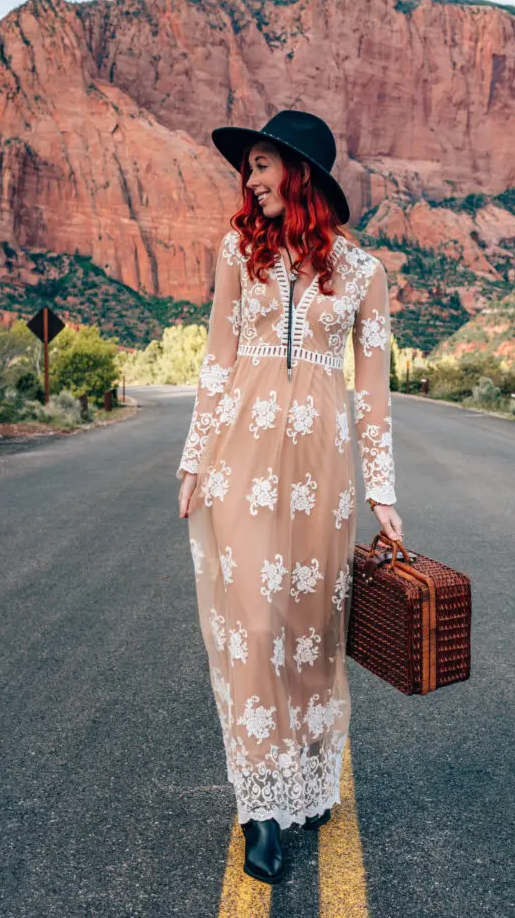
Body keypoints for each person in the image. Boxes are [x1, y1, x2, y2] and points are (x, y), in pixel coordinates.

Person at [176, 109, 403, 884]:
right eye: (250, 167)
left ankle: (305, 779)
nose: (252, 179)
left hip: (322, 475)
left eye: (265, 164)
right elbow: (216, 359)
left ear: (301, 174)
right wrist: (193, 461)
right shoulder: (237, 251)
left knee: (310, 628)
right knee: (254, 620)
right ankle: (260, 806)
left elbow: (370, 394)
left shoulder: (365, 274)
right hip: (241, 460)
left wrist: (383, 491)